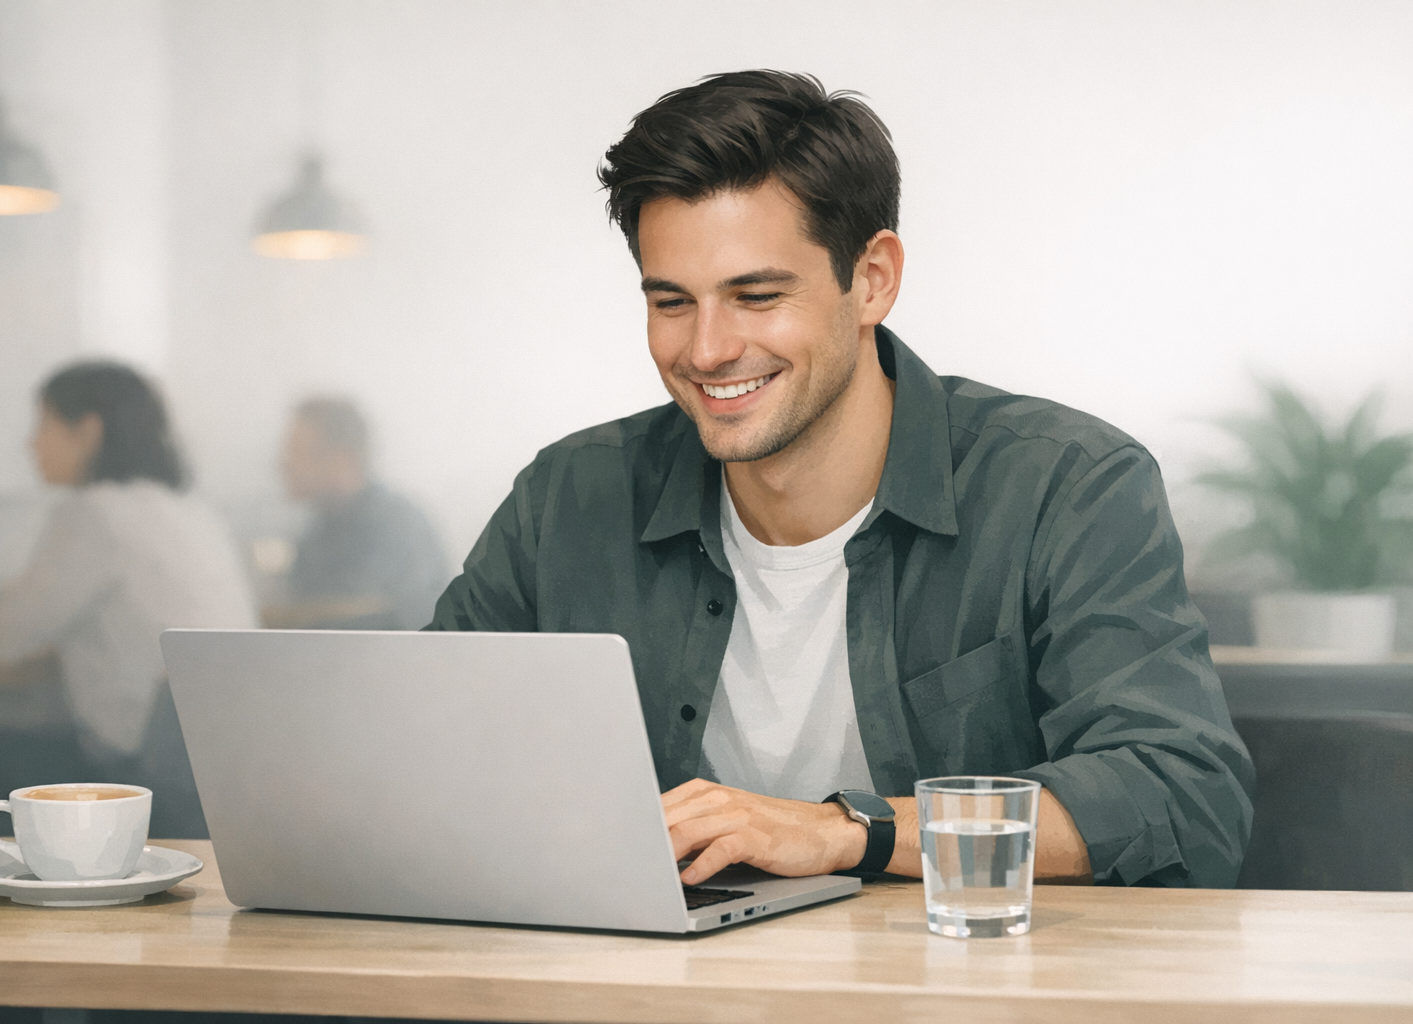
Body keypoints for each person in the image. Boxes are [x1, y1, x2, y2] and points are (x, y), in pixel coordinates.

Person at [429, 71, 1254, 888]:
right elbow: (416, 748)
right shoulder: (570, 497)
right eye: (672, 302)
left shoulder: (1065, 485)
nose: (707, 350)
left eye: (755, 295)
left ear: (872, 280)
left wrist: (846, 832)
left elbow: (1179, 796)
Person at [0, 361, 257, 837]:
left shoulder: (93, 514)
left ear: (88, 430)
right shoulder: (189, 511)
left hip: (144, 764)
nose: (30, 444)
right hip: (224, 760)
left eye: (43, 424)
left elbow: (4, 636)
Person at [280, 396, 448, 630]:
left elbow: (356, 619)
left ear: (341, 461)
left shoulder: (397, 525)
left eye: (297, 452)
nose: (284, 463)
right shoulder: (317, 532)